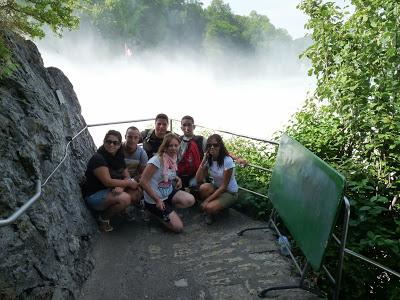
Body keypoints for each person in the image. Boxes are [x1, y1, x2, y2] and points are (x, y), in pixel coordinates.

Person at [82, 130, 140, 232]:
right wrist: (128, 183)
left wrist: (122, 187)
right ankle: (103, 218)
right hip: (95, 194)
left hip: (110, 189)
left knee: (136, 193)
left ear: (119, 145)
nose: (111, 145)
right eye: (108, 141)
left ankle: (118, 211)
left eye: (115, 143)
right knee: (125, 198)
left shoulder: (118, 156)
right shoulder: (98, 158)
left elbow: (126, 176)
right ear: (104, 142)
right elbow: (107, 182)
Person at [140, 133, 195, 232]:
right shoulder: (156, 160)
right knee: (178, 227)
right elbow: (143, 181)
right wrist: (157, 200)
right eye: (170, 145)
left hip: (167, 193)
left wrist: (178, 178)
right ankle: (154, 212)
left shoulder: (173, 158)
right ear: (165, 147)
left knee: (190, 200)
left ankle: (168, 210)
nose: (173, 148)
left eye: (176, 145)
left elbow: (168, 173)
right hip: (155, 199)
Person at [178, 115, 247, 190]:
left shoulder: (201, 140)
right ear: (181, 127)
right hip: (182, 172)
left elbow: (221, 150)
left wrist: (237, 158)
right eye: (184, 125)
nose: (187, 128)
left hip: (197, 173)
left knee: (193, 184)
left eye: (189, 125)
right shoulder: (178, 140)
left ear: (194, 126)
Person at [195, 134, 239, 224]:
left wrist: (207, 200)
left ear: (220, 146)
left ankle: (218, 208)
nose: (212, 147)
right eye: (209, 145)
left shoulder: (227, 161)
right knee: (203, 187)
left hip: (229, 192)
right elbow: (198, 178)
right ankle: (215, 209)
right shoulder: (209, 159)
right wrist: (203, 160)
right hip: (217, 187)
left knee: (209, 207)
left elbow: (224, 186)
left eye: (215, 145)